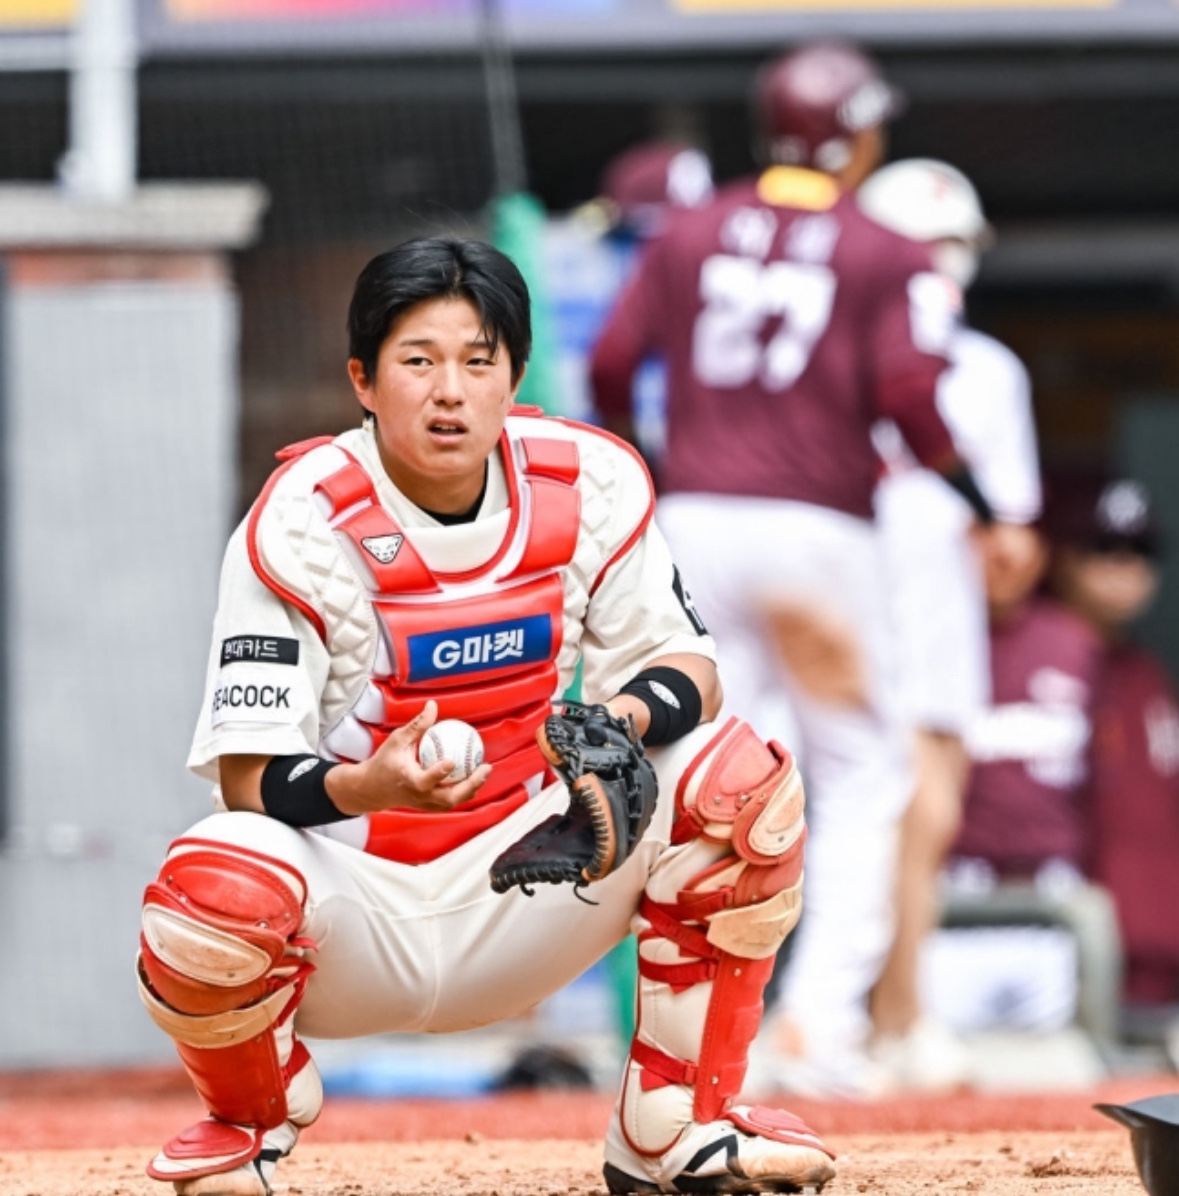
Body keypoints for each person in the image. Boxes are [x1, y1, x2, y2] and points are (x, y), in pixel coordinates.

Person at [135, 237, 837, 1196]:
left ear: (515, 376)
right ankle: (249, 1125)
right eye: (418, 361)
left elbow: (690, 669)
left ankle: (672, 1129)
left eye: (477, 361)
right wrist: (372, 784)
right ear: (362, 379)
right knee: (215, 881)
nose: (450, 392)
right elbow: (247, 781)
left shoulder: (585, 479)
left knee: (739, 783)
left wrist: (618, 720)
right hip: (358, 915)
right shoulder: (300, 519)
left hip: (535, 881)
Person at [589, 40, 994, 1097]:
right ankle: (816, 1026)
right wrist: (974, 493)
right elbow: (908, 398)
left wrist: (659, 463)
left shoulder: (689, 228)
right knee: (859, 771)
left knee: (714, 772)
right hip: (819, 529)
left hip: (694, 521)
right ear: (855, 133)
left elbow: (611, 361)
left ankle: (698, 1028)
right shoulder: (883, 249)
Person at [855, 158, 1042, 1090]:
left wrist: (996, 549)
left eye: (947, 245)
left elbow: (1011, 549)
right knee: (889, 812)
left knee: (925, 817)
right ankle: (877, 1018)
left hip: (938, 611)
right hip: (848, 601)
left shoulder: (989, 370)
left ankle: (889, 1018)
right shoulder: (832, 351)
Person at [1047, 472, 1179, 1044]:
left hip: (1160, 964)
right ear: (1062, 557)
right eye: (1104, 547)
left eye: (1140, 551)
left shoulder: (1147, 677)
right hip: (1061, 956)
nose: (1124, 566)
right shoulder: (1036, 669)